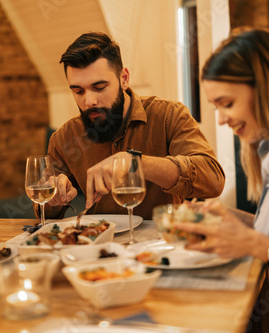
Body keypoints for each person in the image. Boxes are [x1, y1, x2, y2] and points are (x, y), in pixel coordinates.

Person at [176, 28, 269, 332]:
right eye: (216, 106)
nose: (220, 118)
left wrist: (259, 247)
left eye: (226, 103)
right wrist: (231, 218)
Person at [43, 32, 225, 220]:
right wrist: (55, 196)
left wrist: (136, 163)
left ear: (124, 78)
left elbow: (213, 179)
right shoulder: (64, 138)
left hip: (162, 242)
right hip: (97, 245)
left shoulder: (168, 116)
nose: (89, 101)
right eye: (78, 91)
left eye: (99, 88)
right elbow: (43, 211)